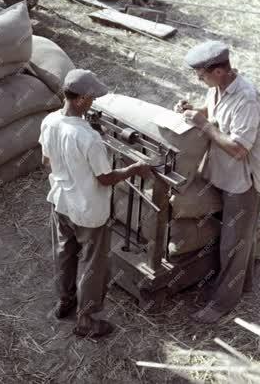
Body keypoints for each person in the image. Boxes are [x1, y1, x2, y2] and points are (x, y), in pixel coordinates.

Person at [39, 69, 153, 339]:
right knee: (92, 264)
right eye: (91, 99)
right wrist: (134, 169)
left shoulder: (50, 121)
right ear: (80, 99)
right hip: (89, 212)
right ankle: (87, 320)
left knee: (64, 254)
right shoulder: (88, 138)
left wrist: (69, 172)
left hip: (60, 202)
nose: (93, 103)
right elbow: (105, 179)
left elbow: (46, 162)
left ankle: (65, 301)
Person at [175, 40, 260, 324]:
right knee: (234, 236)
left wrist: (203, 125)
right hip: (222, 172)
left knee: (233, 244)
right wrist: (195, 111)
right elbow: (214, 113)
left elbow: (240, 149)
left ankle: (222, 305)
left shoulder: (247, 99)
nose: (197, 78)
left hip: (243, 182)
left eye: (200, 74)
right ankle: (245, 282)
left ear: (218, 71)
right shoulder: (217, 88)